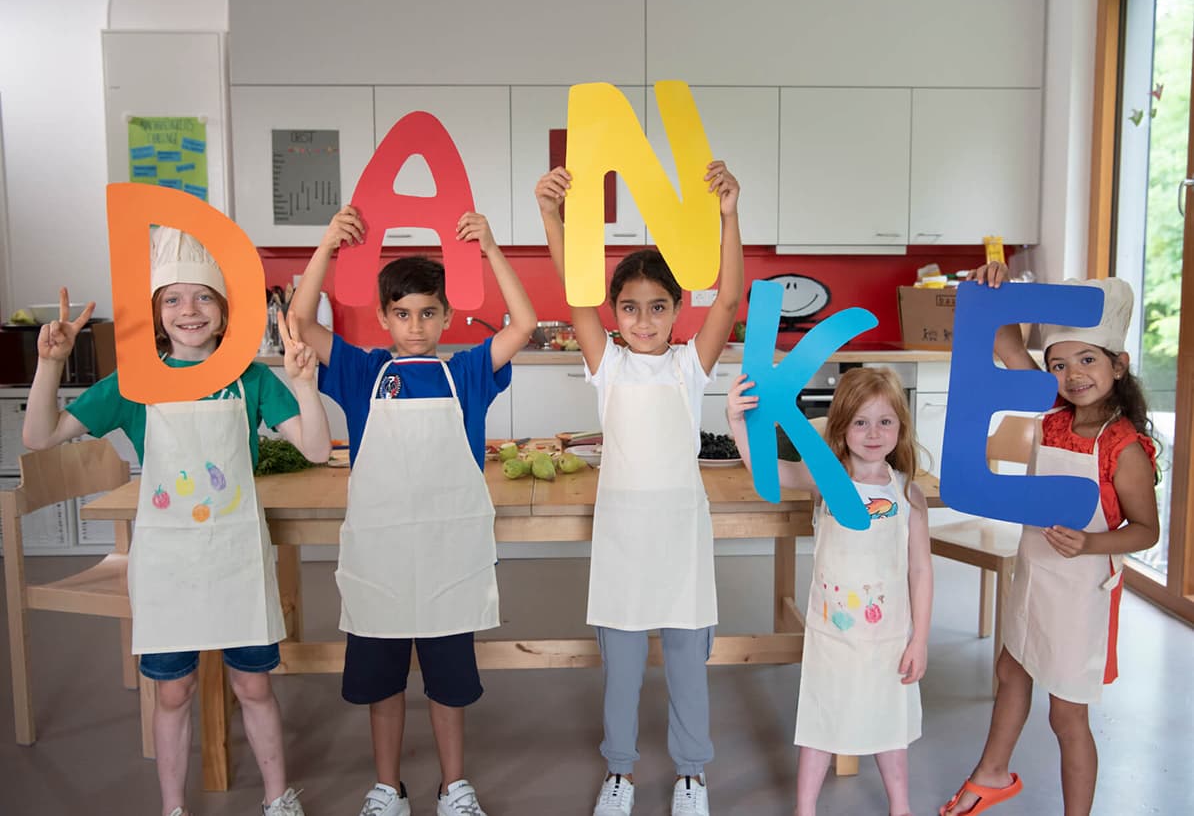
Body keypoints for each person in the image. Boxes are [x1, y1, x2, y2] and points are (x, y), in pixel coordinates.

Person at [22, 227, 331, 816]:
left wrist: (304, 385)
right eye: (173, 298)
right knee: (173, 692)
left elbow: (316, 449)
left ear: (225, 310)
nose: (189, 310)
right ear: (157, 313)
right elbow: (40, 436)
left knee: (254, 686)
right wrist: (50, 366)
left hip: (236, 558)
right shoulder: (135, 381)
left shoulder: (251, 379)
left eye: (204, 296)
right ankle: (172, 807)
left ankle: (277, 798)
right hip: (168, 565)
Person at [289, 206, 535, 816]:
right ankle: (387, 788)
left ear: (447, 316)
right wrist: (327, 245)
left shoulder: (468, 373)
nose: (416, 325)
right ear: (382, 317)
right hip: (382, 556)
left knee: (448, 685)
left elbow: (525, 324)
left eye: (428, 313)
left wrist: (491, 248)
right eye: (402, 314)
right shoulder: (362, 371)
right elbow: (300, 320)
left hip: (449, 557)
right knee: (384, 682)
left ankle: (454, 787)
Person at [535, 161, 743, 816]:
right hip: (622, 538)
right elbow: (574, 295)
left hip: (681, 537)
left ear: (678, 310)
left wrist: (729, 215)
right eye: (630, 307)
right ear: (615, 313)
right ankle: (619, 770)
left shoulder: (688, 366)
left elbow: (729, 300)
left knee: (686, 662)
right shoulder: (608, 363)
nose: (644, 320)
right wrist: (551, 217)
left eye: (658, 307)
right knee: (621, 668)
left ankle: (692, 774)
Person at [940, 268, 1160, 816]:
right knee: (1012, 669)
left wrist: (1089, 544)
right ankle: (991, 775)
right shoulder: (1054, 415)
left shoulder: (1124, 447)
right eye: (1059, 364)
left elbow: (1147, 530)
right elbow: (1007, 343)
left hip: (1081, 589)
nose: (1072, 374)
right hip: (1035, 571)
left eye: (1087, 360)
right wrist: (994, 290)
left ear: (1118, 365)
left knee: (1067, 715)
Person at [726, 366, 931, 816]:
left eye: (885, 421)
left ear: (901, 426)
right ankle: (805, 808)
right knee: (820, 722)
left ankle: (900, 806)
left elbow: (920, 570)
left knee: (889, 723)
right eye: (861, 422)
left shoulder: (908, 494)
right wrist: (737, 422)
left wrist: (919, 639)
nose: (873, 433)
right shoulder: (826, 479)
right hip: (831, 635)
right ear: (841, 428)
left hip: (889, 637)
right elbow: (766, 468)